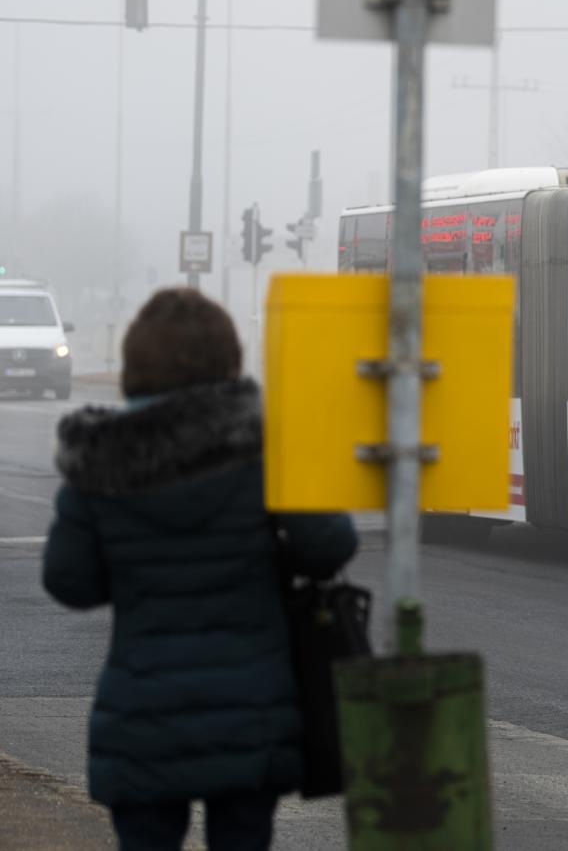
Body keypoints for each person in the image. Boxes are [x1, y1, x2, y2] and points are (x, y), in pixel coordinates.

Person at [42, 288, 357, 851]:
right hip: (250, 714)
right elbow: (331, 543)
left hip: (142, 716)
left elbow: (70, 581)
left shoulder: (100, 459)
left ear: (135, 365)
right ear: (228, 360)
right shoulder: (264, 445)